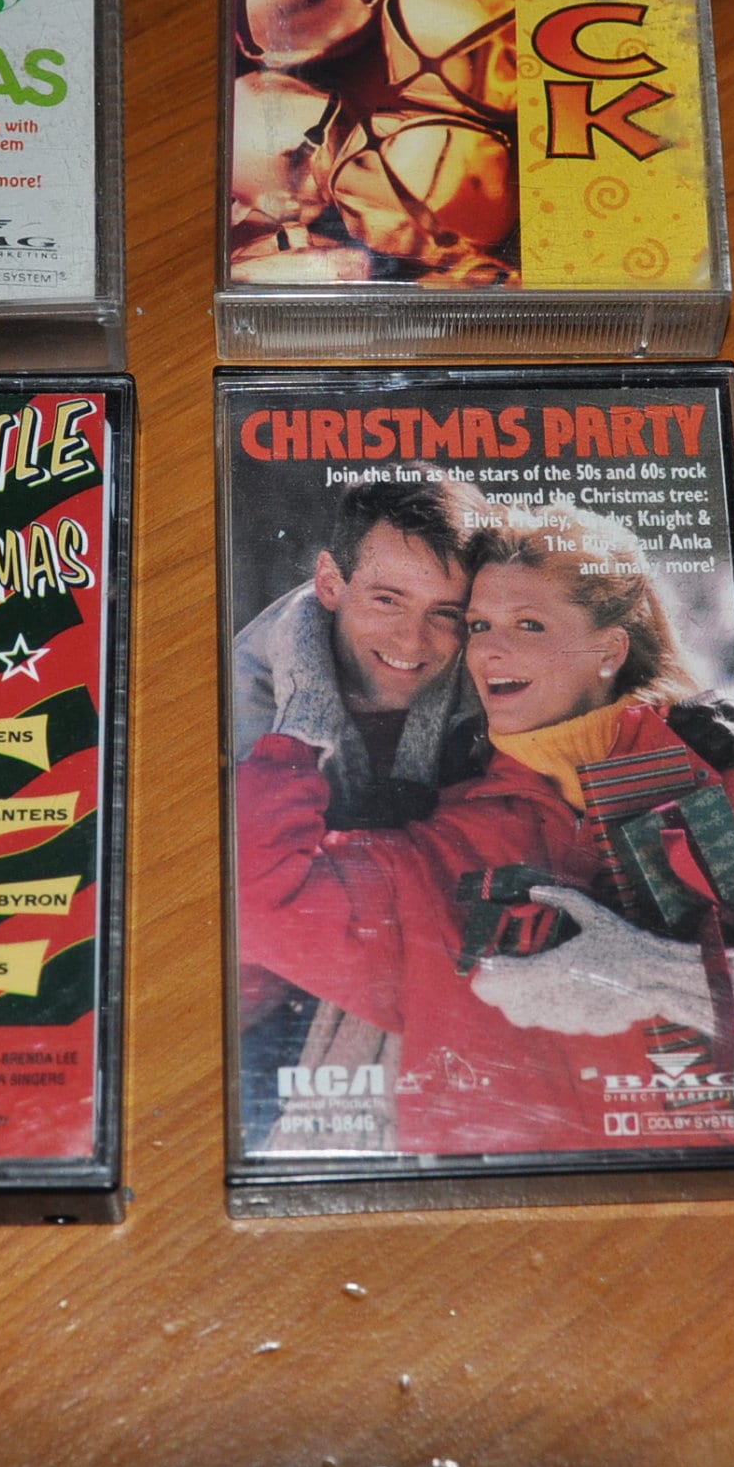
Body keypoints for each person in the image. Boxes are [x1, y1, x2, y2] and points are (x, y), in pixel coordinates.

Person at [234, 500, 734, 1159]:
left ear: (610, 649)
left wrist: (670, 976)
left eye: (529, 623)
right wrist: (303, 718)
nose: (489, 648)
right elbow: (257, 899)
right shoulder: (448, 845)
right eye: (479, 624)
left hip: (716, 1205)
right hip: (499, 1213)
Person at [227, 474, 490, 1151]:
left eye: (444, 612)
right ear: (330, 582)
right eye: (387, 599)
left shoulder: (485, 677)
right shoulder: (244, 694)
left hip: (404, 965)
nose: (413, 638)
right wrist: (305, 726)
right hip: (255, 1007)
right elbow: (245, 893)